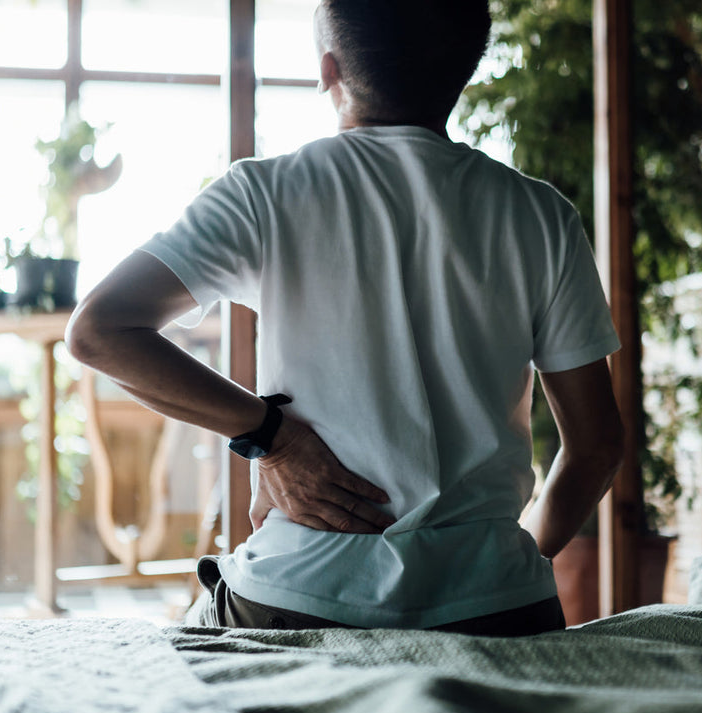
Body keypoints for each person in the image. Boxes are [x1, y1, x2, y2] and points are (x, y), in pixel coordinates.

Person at [66, 0, 624, 637]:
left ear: (329, 69)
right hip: (499, 606)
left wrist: (272, 436)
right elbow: (597, 446)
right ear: (464, 73)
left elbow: (98, 331)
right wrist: (510, 565)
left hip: (299, 594)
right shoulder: (542, 217)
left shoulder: (265, 194)